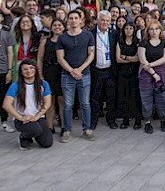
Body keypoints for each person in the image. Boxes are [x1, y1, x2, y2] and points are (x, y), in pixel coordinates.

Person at [56, 10, 95, 143]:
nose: (73, 20)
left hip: (85, 74)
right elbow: (60, 58)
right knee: (67, 104)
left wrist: (80, 69)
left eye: (76, 18)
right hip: (67, 76)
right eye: (71, 18)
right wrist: (72, 71)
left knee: (85, 103)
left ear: (80, 20)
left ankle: (87, 129)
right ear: (67, 20)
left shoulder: (88, 35)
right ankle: (67, 130)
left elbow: (91, 55)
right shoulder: (62, 38)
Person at [2, 59, 53, 150]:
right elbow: (6, 105)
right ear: (21, 72)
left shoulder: (44, 84)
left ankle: (35, 134)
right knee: (35, 130)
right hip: (22, 119)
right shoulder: (15, 85)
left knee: (47, 143)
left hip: (38, 117)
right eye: (25, 69)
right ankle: (24, 137)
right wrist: (21, 117)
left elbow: (47, 103)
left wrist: (37, 116)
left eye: (31, 68)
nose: (29, 71)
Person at [137, 21, 165, 134]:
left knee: (162, 97)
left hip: (161, 71)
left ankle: (163, 120)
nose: (154, 31)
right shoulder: (144, 43)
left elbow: (164, 59)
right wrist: (152, 72)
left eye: (156, 29)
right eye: (151, 29)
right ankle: (147, 122)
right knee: (146, 97)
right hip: (146, 73)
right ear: (148, 31)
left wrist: (150, 65)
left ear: (160, 30)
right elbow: (142, 60)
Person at [90, 10, 119, 130]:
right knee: (94, 97)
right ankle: (93, 120)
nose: (105, 22)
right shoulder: (90, 33)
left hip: (110, 70)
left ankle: (111, 120)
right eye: (102, 20)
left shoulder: (114, 33)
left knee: (111, 97)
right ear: (97, 20)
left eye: (107, 20)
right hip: (95, 70)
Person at [37, 18, 65, 133]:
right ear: (51, 27)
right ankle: (49, 126)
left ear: (63, 27)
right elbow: (39, 58)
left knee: (62, 100)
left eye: (59, 25)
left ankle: (64, 126)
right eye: (55, 25)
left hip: (62, 72)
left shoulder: (66, 40)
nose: (57, 27)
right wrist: (40, 75)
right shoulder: (45, 41)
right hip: (49, 72)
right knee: (49, 100)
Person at [116, 22, 142, 129]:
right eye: (126, 28)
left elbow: (138, 58)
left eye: (131, 28)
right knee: (124, 96)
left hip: (135, 73)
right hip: (122, 73)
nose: (128, 30)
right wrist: (131, 59)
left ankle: (138, 120)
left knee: (135, 96)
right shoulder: (120, 42)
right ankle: (125, 120)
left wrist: (125, 57)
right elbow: (118, 59)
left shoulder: (138, 42)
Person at [0, 19, 16, 133]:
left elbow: (10, 52)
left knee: (3, 96)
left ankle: (4, 121)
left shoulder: (7, 32)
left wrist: (9, 70)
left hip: (3, 69)